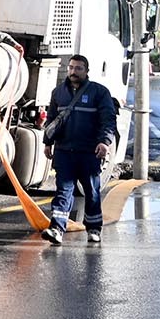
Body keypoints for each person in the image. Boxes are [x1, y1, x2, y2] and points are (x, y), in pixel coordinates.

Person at [41, 53, 119, 246]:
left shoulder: (99, 93)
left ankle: (93, 229)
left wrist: (105, 143)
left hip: (88, 152)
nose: (73, 72)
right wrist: (47, 142)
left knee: (91, 191)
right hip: (65, 151)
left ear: (87, 71)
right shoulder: (58, 92)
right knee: (63, 190)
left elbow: (108, 120)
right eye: (71, 68)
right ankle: (57, 229)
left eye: (78, 68)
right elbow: (51, 120)